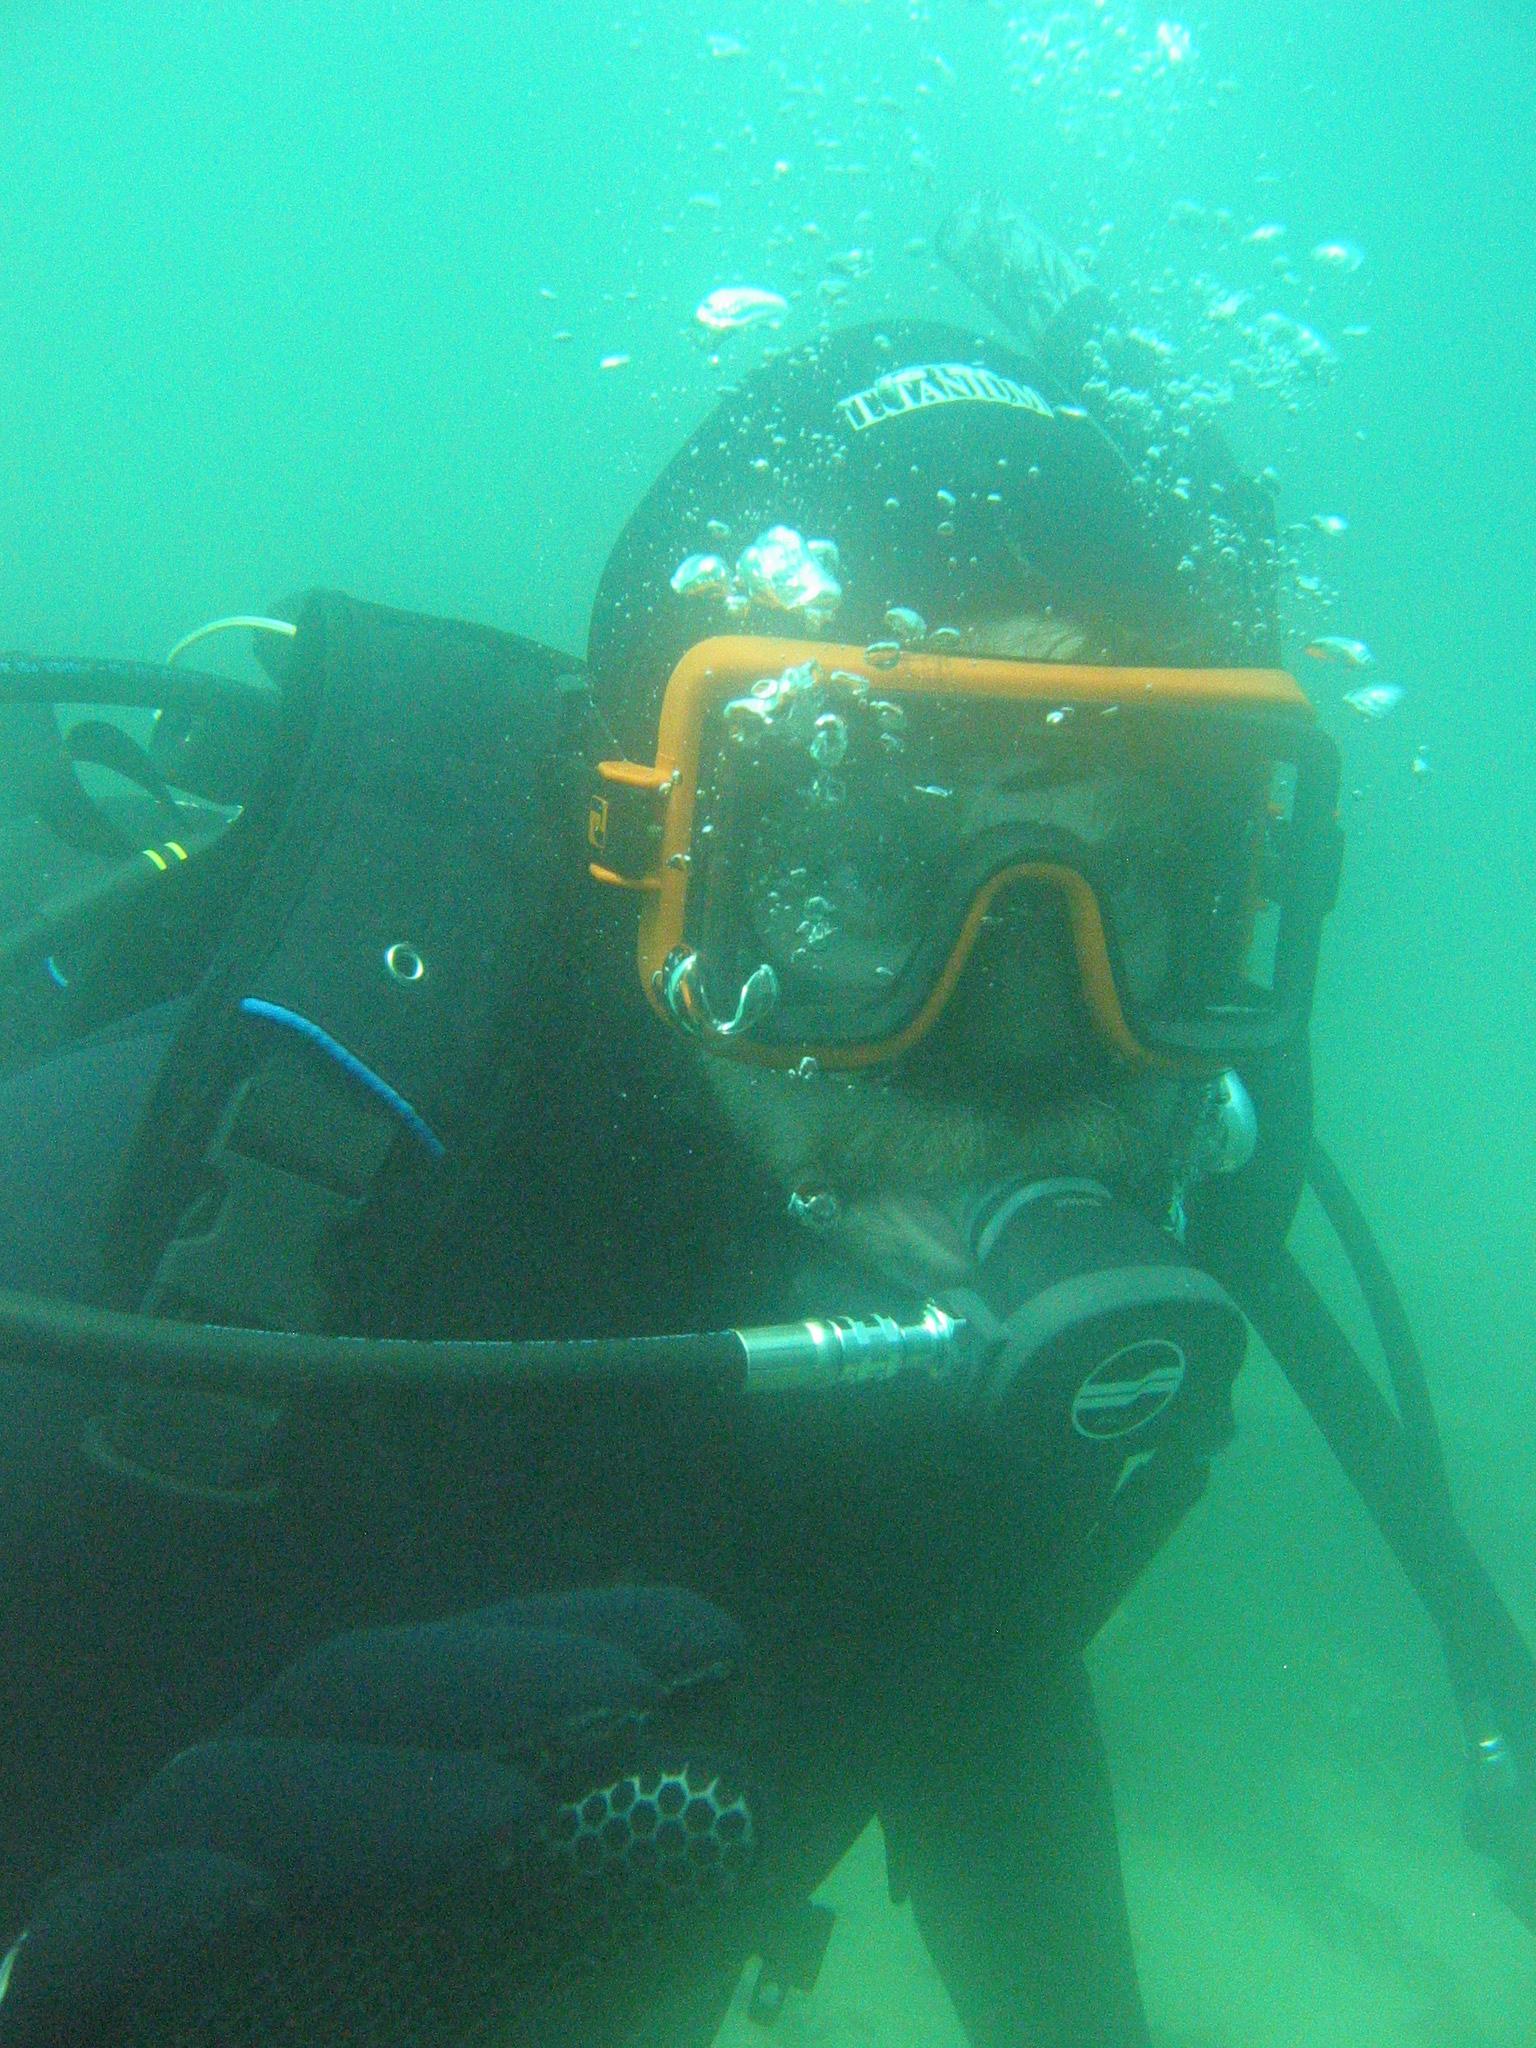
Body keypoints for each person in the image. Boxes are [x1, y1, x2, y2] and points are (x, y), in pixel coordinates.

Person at [0, 210, 1531, 2048]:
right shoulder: (150, 1238)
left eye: (1142, 886)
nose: (1020, 1045)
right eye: (857, 878)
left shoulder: (1090, 1285)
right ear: (639, 858)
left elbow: (973, 1667)